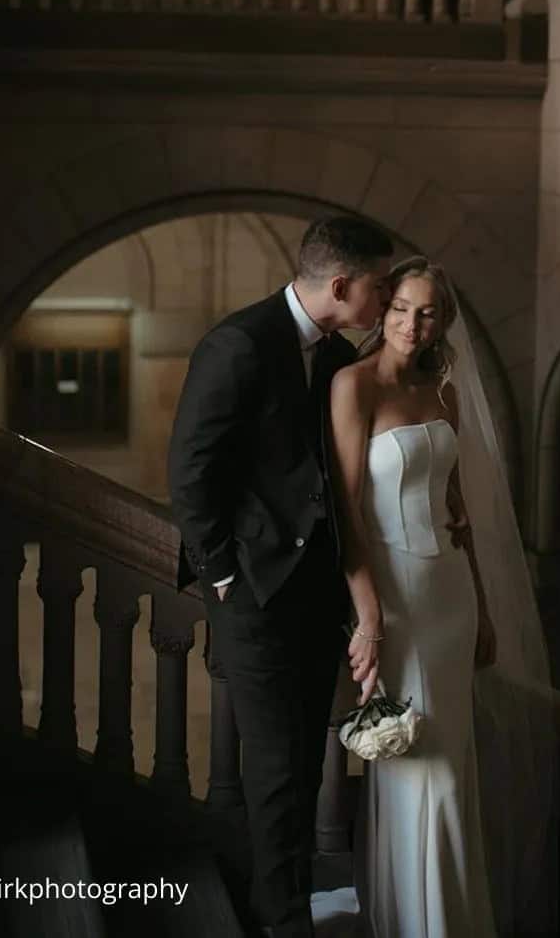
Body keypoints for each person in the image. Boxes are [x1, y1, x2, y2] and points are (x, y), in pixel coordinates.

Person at [168, 216, 393, 938]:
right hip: (252, 595)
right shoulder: (238, 344)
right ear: (340, 285)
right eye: (379, 286)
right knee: (271, 767)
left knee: (303, 756)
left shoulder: (333, 355)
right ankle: (284, 919)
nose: (384, 299)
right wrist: (223, 578)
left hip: (316, 591)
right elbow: (191, 472)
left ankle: (284, 901)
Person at [329, 257, 554, 938]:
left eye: (426, 312)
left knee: (453, 763)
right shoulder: (353, 385)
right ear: (384, 307)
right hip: (395, 601)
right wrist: (367, 617)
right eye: (399, 306)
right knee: (423, 767)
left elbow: (460, 514)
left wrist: (483, 606)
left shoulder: (444, 393)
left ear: (442, 322)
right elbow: (345, 512)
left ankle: (450, 918)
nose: (409, 323)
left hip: (451, 595)